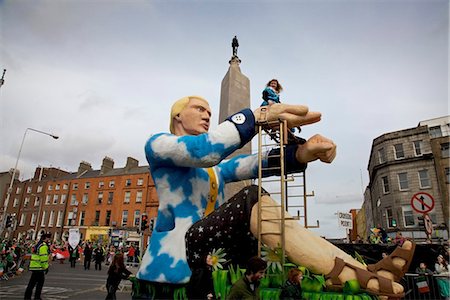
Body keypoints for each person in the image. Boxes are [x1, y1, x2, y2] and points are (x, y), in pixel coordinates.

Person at [136, 95, 415, 298]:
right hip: (180, 251)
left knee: (260, 205)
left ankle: (366, 270)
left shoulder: (215, 172)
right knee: (250, 199)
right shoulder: (158, 145)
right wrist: (257, 116)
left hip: (208, 249)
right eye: (200, 109)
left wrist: (302, 153)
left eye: (209, 110)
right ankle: (350, 275)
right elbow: (204, 151)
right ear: (177, 116)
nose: (208, 115)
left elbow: (252, 164)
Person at [24, 233, 51, 300]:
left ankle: (27, 297)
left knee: (32, 283)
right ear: (45, 238)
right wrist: (46, 267)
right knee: (39, 283)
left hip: (34, 266)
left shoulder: (38, 245)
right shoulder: (43, 246)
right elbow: (43, 257)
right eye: (48, 238)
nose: (49, 240)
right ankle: (37, 297)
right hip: (39, 267)